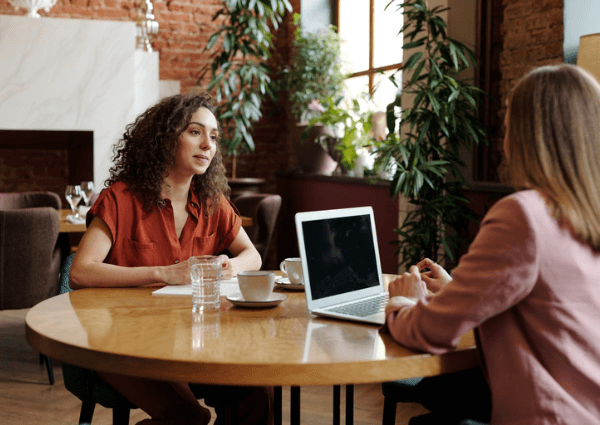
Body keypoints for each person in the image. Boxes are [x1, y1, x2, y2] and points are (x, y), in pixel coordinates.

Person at [385, 64, 600, 424]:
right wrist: (460, 291)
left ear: (523, 137)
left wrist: (403, 301)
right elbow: (553, 310)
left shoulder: (525, 215)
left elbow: (431, 331)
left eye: (508, 127)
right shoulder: (586, 214)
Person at [69, 91, 268, 425]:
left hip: (192, 337)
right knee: (188, 416)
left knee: (258, 394)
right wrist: (166, 272)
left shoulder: (210, 201)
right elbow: (81, 272)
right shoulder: (121, 198)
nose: (208, 144)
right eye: (195, 131)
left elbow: (252, 256)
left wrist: (230, 266)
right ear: (164, 139)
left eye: (214, 136)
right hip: (120, 341)